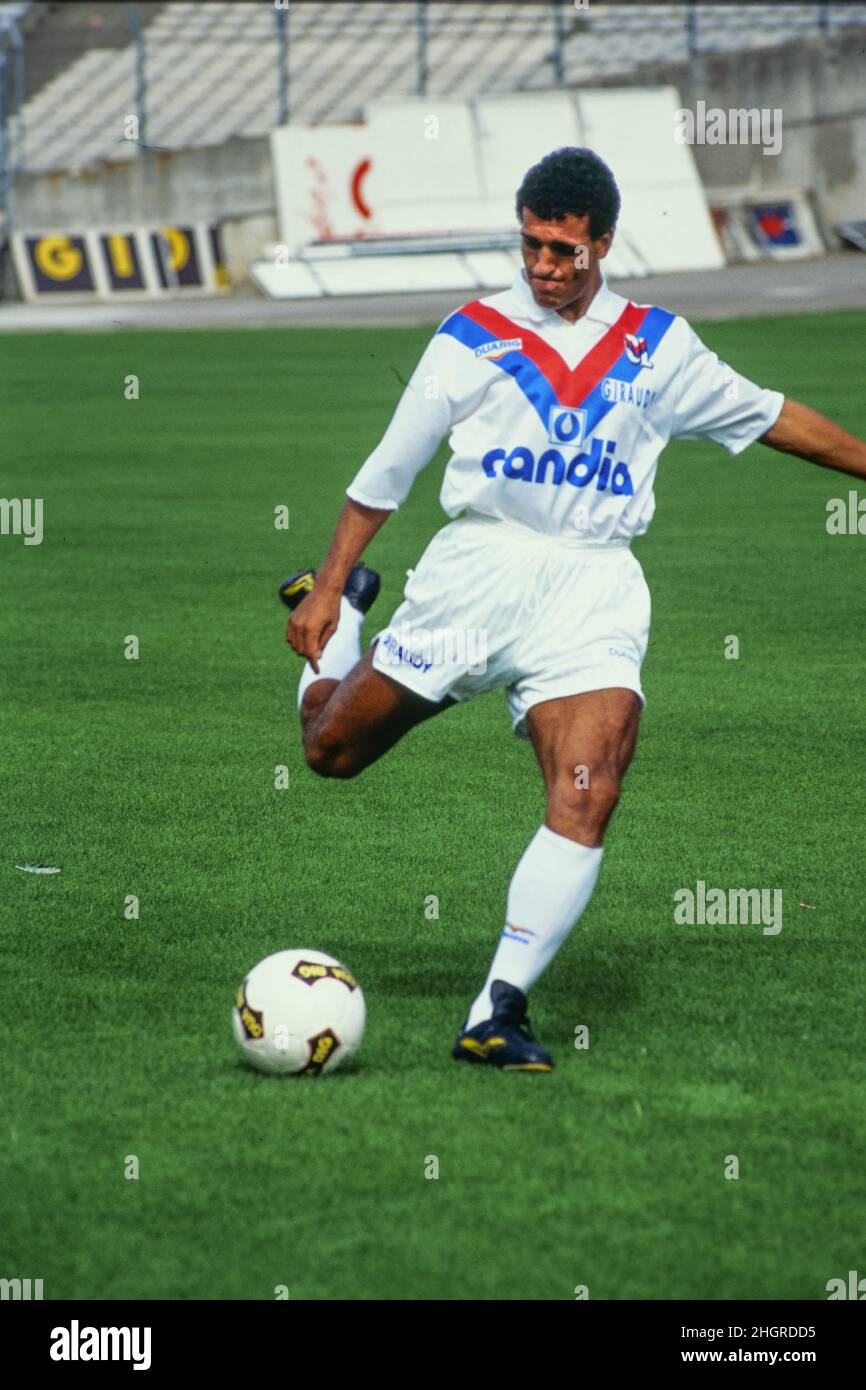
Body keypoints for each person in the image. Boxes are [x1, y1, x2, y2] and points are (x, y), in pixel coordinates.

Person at [280, 146, 866, 1072]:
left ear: (603, 243)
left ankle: (496, 1009)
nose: (545, 267)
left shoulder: (660, 346)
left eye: (565, 251)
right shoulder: (471, 336)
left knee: (591, 784)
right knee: (330, 752)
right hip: (477, 571)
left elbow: (772, 415)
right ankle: (347, 625)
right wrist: (328, 581)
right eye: (531, 247)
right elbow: (386, 475)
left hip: (594, 586)